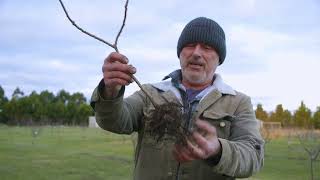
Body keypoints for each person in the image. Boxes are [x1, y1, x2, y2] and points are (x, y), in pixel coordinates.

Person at [90, 17, 264, 180]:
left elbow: (253, 156)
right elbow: (114, 121)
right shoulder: (150, 93)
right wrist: (110, 90)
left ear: (219, 58)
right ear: (180, 53)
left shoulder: (238, 102)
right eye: (189, 45)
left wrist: (218, 150)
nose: (196, 53)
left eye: (207, 47)